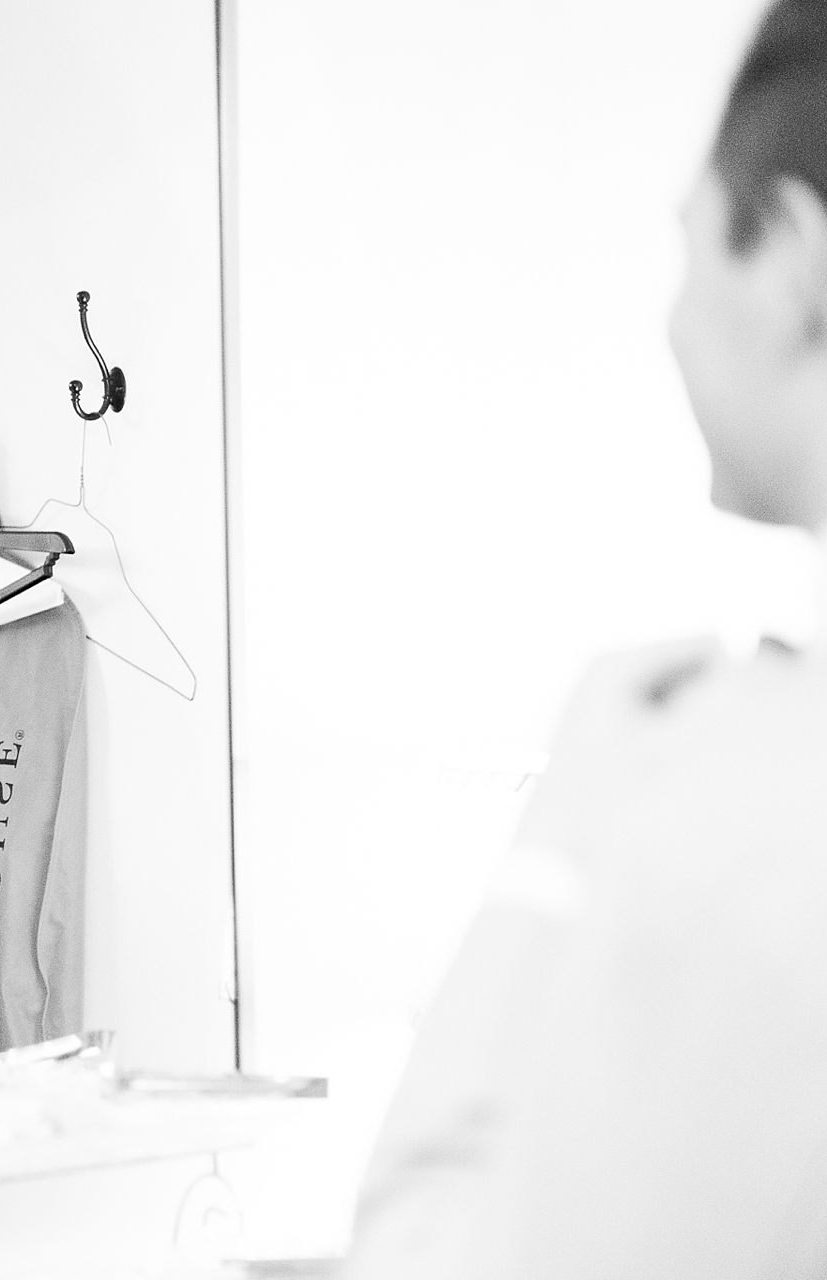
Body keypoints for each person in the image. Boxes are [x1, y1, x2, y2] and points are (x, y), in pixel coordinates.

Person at [347, 2, 827, 1276]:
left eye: (690, 251)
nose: (673, 322)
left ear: (786, 254)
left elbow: (431, 1250)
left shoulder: (739, 807)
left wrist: (563, 841)